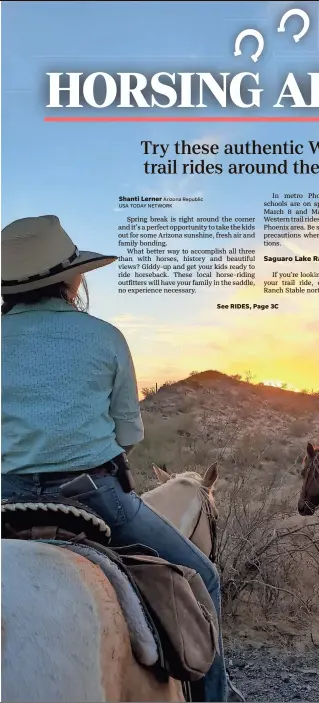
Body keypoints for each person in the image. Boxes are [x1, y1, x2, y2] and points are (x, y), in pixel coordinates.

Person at [1, 214, 244, 702]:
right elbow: (128, 432)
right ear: (71, 279)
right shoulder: (105, 337)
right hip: (94, 495)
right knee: (204, 579)